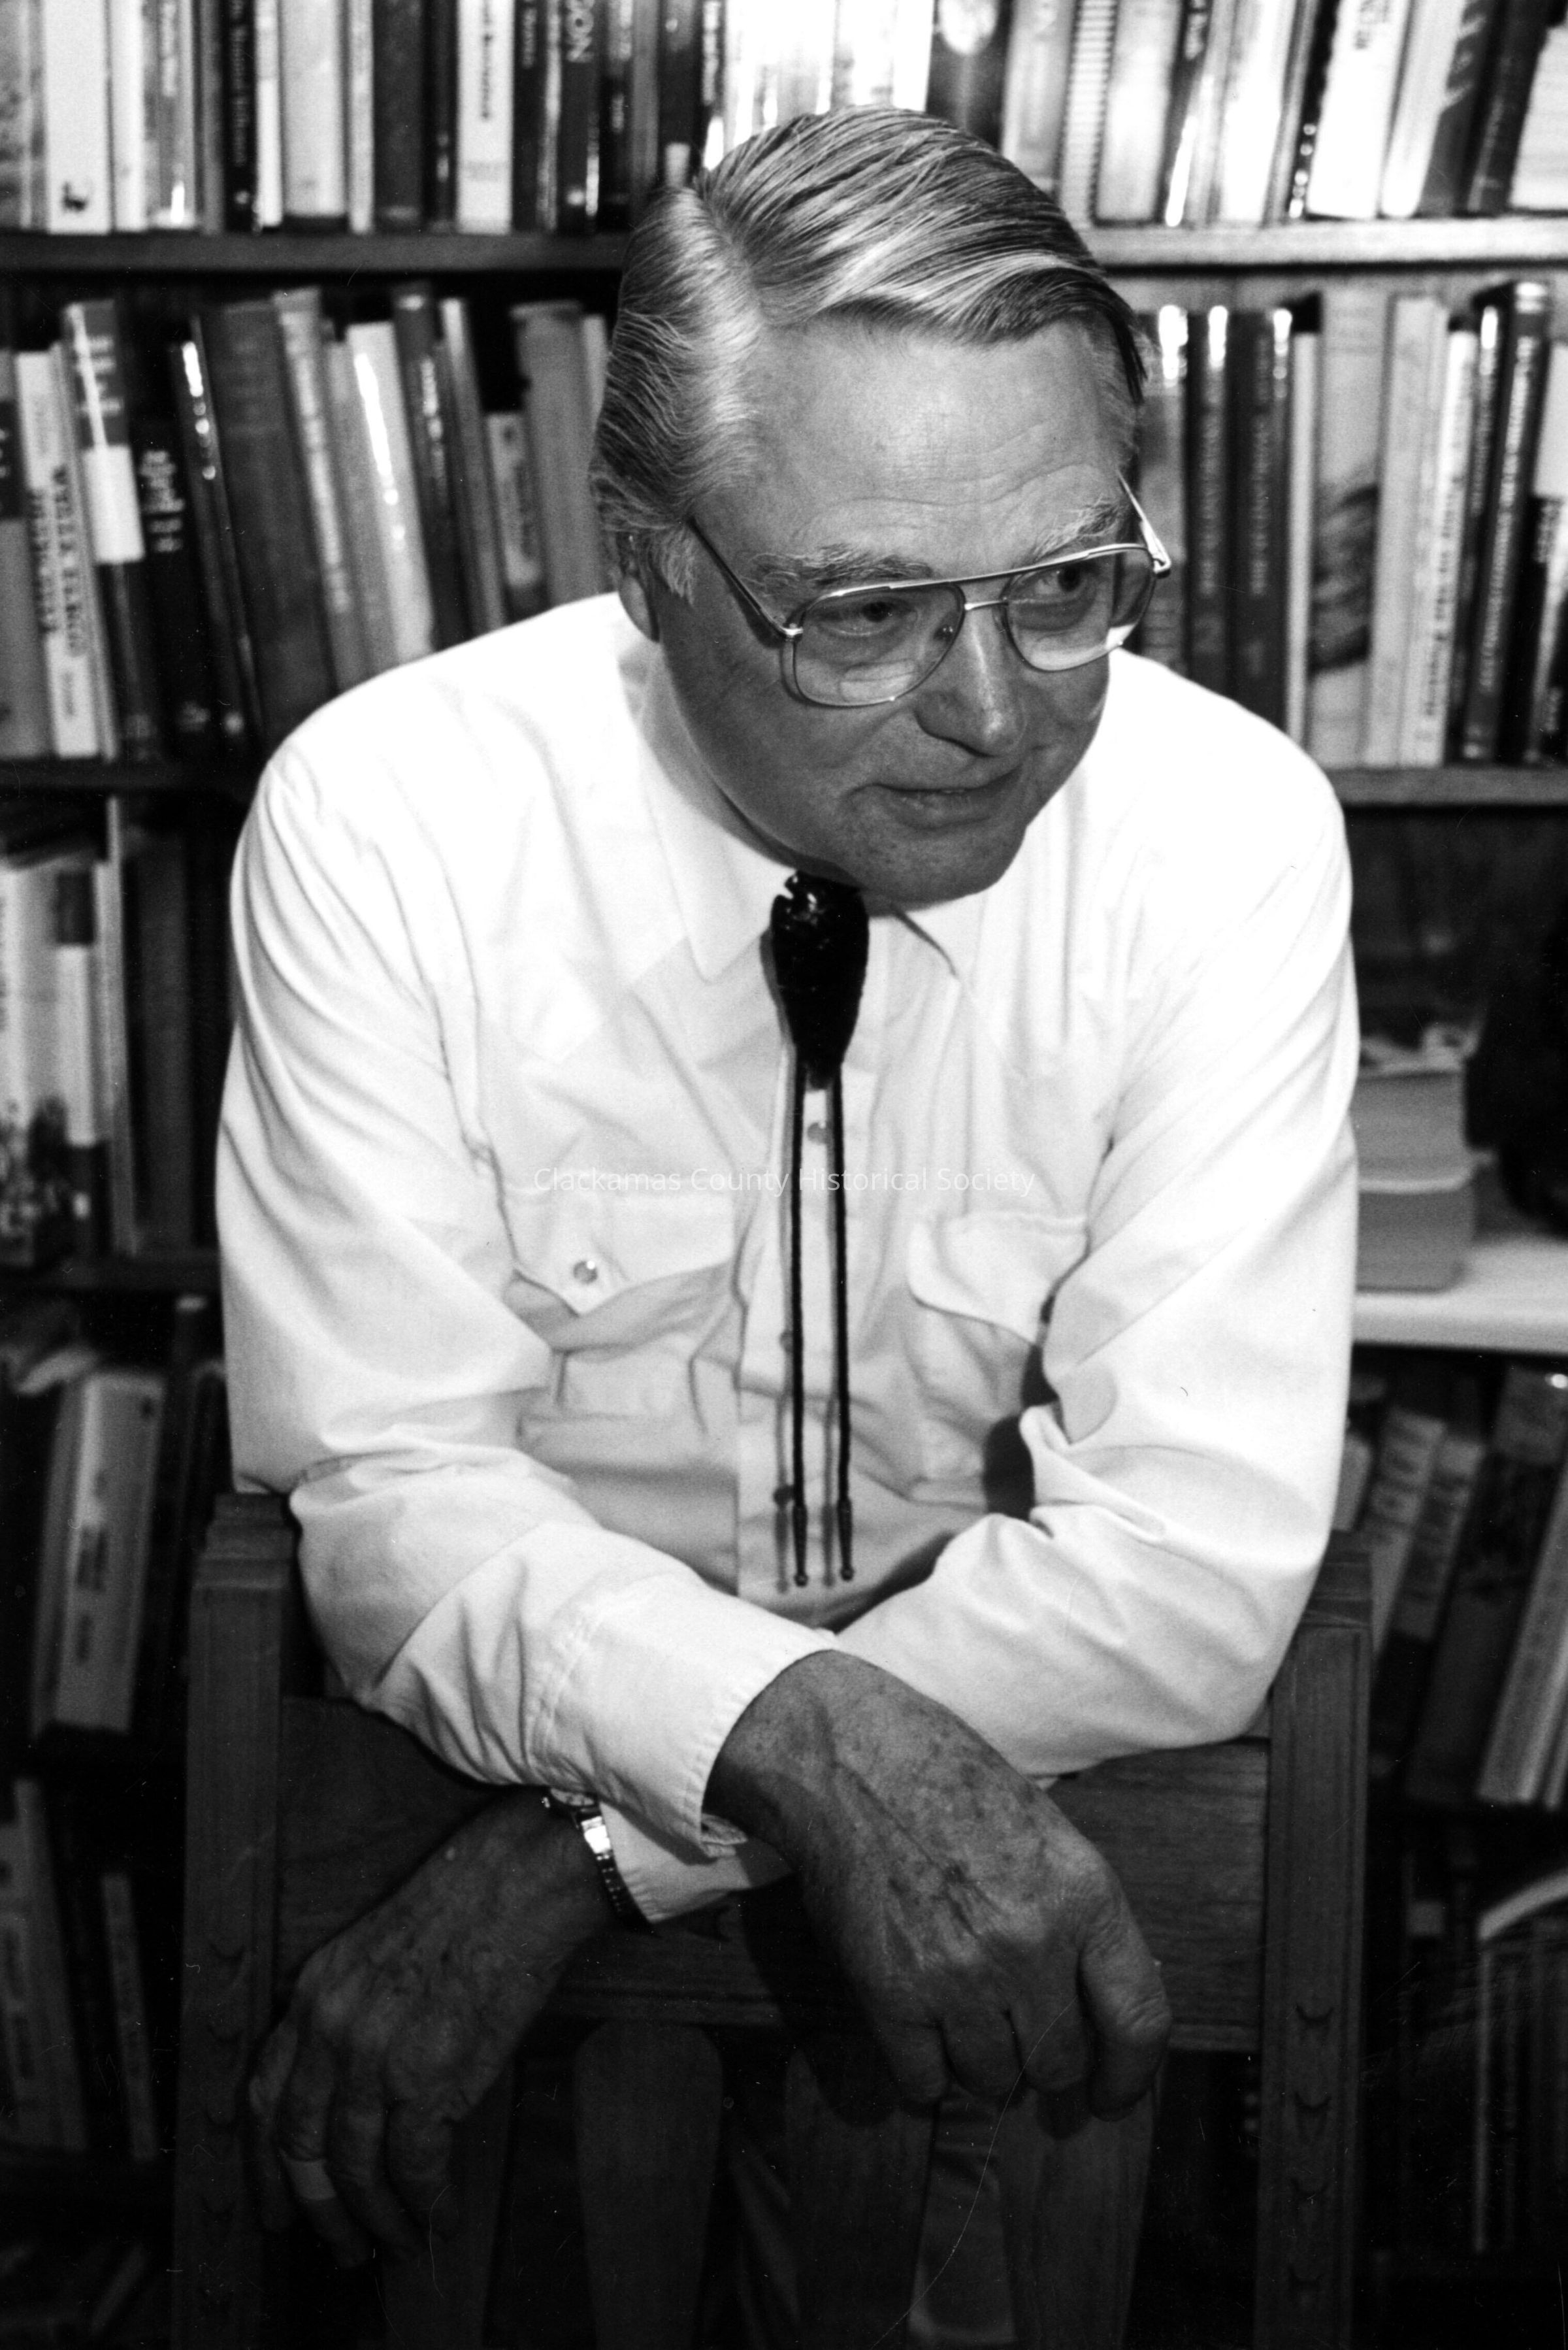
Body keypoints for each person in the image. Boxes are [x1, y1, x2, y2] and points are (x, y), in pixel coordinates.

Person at [222, 105, 1357, 2338]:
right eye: (864, 610)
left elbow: (1190, 1563)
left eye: (1067, 583)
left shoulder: (1232, 836)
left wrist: (599, 1845)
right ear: (649, 567)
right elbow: (391, 1494)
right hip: (483, 2020)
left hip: (1019, 1949)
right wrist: (811, 1756)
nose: (994, 710)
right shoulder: (383, 821)